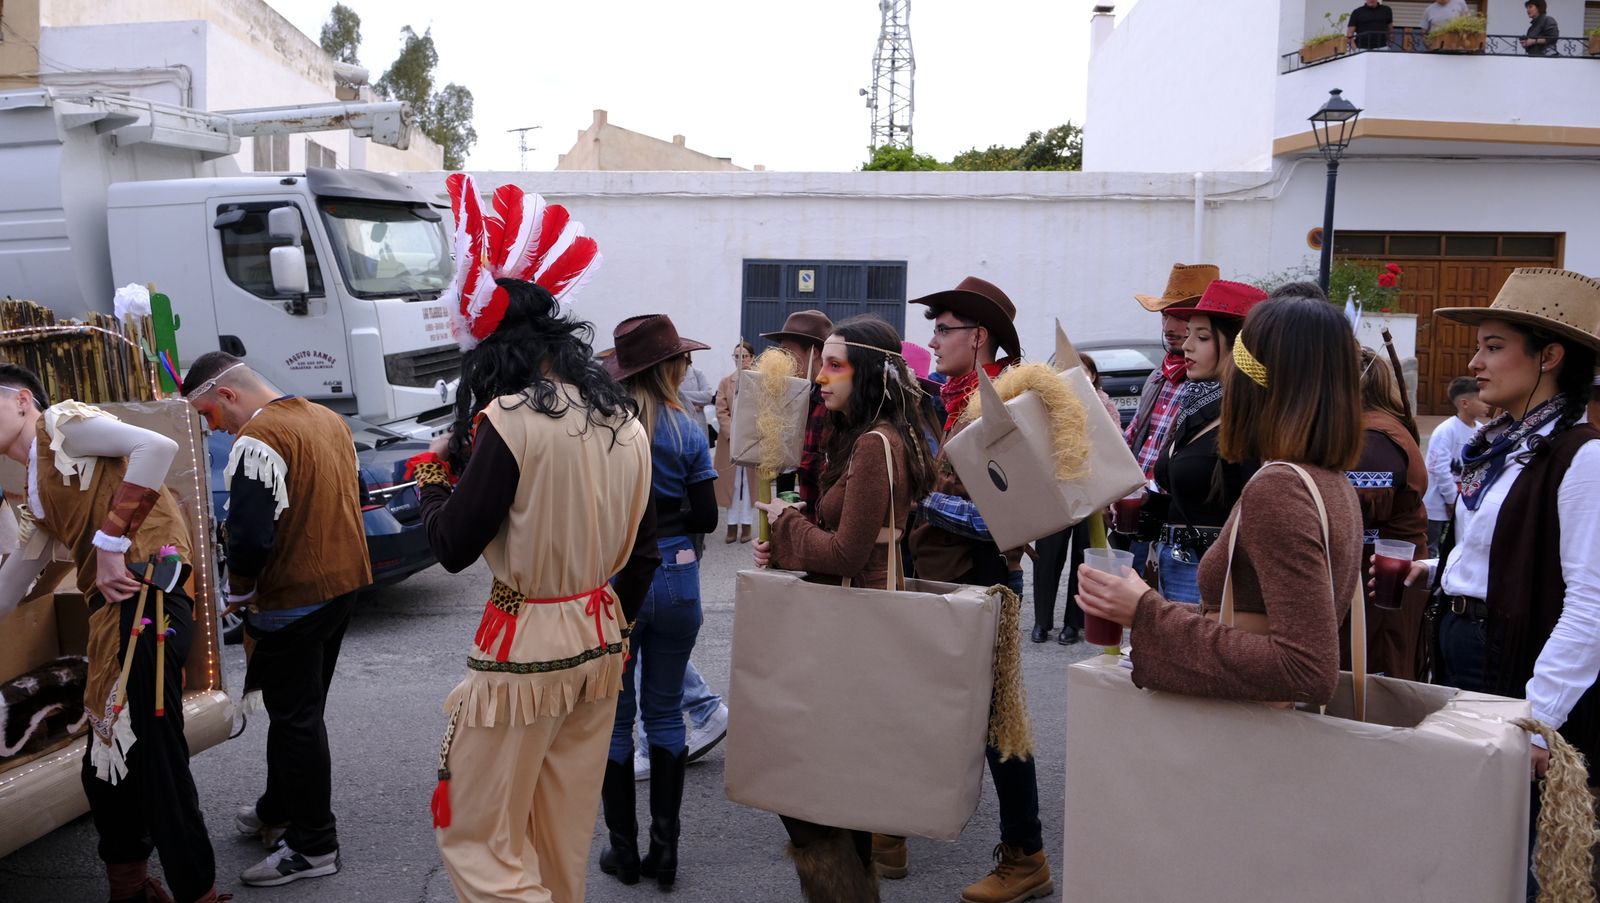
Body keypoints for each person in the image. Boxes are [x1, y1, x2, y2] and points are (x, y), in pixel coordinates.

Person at [417, 176, 657, 903]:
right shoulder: (625, 419)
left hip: (525, 644)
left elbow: (453, 544)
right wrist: (605, 617)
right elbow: (644, 554)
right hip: (599, 638)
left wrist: (431, 470)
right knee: (559, 828)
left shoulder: (513, 418)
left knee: (477, 834)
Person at [1402, 269, 1600, 895]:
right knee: (1464, 829)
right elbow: (1503, 551)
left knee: (1513, 842)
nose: (1474, 363)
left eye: (1493, 347)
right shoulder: (1504, 446)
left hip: (1515, 664)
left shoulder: (1581, 456)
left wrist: (1538, 717)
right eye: (1479, 347)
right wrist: (1436, 570)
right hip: (1464, 647)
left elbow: (1591, 601)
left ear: (1549, 356)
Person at [0, 365, 225, 903]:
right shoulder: (37, 481)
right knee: (104, 760)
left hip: (148, 594)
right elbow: (12, 583)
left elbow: (157, 445)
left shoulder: (65, 425)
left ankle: (198, 892)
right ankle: (129, 886)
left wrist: (108, 541)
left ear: (23, 401)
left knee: (152, 749)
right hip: (115, 613)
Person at [1078, 292, 1365, 708]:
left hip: (1246, 731)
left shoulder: (1280, 487)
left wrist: (1145, 611)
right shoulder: (1326, 479)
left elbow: (1306, 670)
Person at [750, 315, 936, 902]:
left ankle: (845, 893)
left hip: (857, 633)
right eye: (821, 363)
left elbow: (847, 552)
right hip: (850, 626)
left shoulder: (875, 445)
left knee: (806, 789)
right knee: (836, 791)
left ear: (871, 371)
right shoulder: (866, 438)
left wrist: (788, 527)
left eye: (834, 365)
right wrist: (784, 544)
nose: (820, 377)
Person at [179, 353, 372, 887]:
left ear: (228, 396)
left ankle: (314, 845)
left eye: (209, 415)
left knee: (295, 720)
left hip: (294, 601)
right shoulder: (326, 418)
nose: (211, 427)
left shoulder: (258, 440)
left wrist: (238, 595)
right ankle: (277, 806)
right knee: (299, 711)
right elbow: (353, 499)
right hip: (341, 588)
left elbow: (249, 539)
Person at [905, 276, 1051, 903]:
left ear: (979, 336)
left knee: (1000, 723)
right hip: (942, 572)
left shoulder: (1005, 406)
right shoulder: (946, 397)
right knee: (925, 703)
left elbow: (1006, 520)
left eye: (943, 330)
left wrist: (919, 499)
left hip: (987, 579)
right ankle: (891, 830)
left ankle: (1027, 856)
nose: (932, 341)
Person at [599, 314, 719, 892]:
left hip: (617, 578)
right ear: (670, 368)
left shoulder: (601, 431)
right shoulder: (686, 429)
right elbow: (708, 517)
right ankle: (664, 853)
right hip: (677, 574)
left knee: (615, 722)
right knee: (667, 713)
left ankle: (622, 853)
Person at [1149, 280, 1268, 605]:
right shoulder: (1193, 404)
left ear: (1239, 347)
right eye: (1188, 334)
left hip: (1213, 575)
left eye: (1201, 337)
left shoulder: (1251, 418)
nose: (1187, 346)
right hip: (1171, 566)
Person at [1123, 264, 1218, 567]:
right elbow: (1134, 438)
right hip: (1140, 515)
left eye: (1182, 316)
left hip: (1181, 525)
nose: (1169, 327)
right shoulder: (1158, 376)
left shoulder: (1215, 388)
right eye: (1166, 315)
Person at [1345, 347, 1430, 682]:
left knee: (1376, 677)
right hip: (1374, 578)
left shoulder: (1373, 437)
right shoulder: (1371, 428)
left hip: (1381, 583)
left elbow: (1353, 512)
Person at [1032, 353, 1120, 645]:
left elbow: (1115, 451)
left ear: (1093, 377)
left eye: (1085, 372)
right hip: (1056, 493)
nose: (1078, 378)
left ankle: (1073, 624)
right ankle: (1041, 622)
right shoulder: (1048, 406)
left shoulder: (1105, 406)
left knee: (1084, 559)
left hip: (1093, 493)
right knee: (1047, 557)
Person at [762, 310, 833, 513]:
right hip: (809, 520)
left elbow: (827, 473)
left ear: (814, 352)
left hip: (824, 527)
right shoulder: (806, 394)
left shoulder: (829, 402)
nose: (782, 362)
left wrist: (783, 454)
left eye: (788, 353)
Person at [1423, 377, 1489, 557]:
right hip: (1437, 503)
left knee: (1456, 544)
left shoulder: (1482, 431)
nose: (1487, 403)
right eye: (1481, 398)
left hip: (1465, 500)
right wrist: (1451, 498)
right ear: (1465, 403)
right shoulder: (1446, 430)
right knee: (1431, 546)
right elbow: (1438, 468)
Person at [715, 340, 757, 543]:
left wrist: (750, 432)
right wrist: (732, 433)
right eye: (737, 356)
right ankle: (732, 526)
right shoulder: (726, 382)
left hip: (751, 440)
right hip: (730, 440)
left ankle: (747, 525)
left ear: (752, 358)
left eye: (745, 356)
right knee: (732, 483)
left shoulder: (759, 380)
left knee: (748, 484)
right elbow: (721, 409)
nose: (741, 360)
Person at [679, 356, 716, 446]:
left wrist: (680, 395)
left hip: (698, 423)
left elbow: (707, 396)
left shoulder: (697, 373)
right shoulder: (669, 376)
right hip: (680, 425)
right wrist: (694, 404)